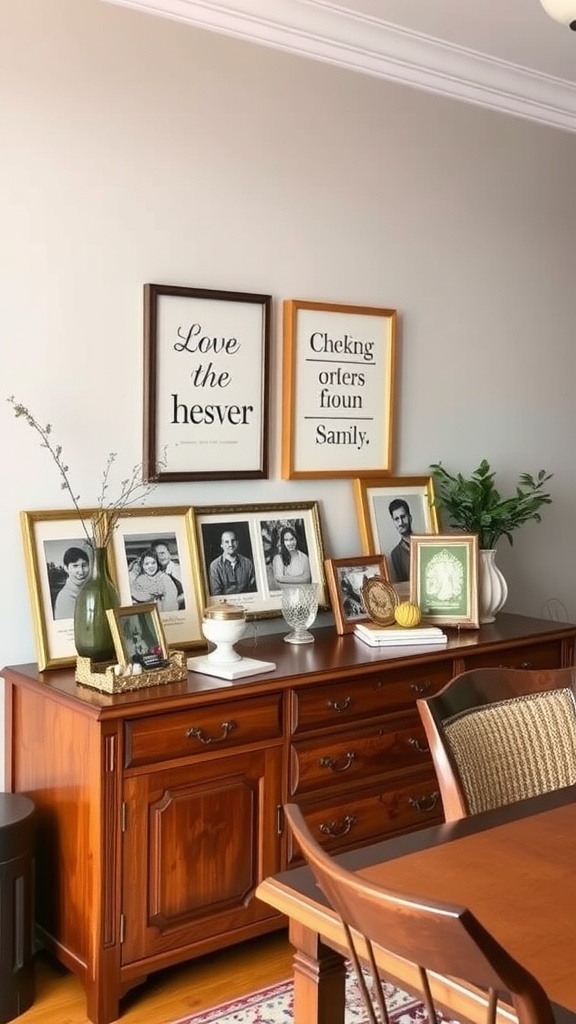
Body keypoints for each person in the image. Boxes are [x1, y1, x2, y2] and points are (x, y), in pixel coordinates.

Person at [209, 529, 256, 596]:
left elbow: (252, 589)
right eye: (227, 542)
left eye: (233, 541)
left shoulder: (247, 563)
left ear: (237, 543)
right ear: (221, 545)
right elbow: (216, 594)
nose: (231, 544)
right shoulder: (215, 566)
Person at [54, 546, 90, 619]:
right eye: (75, 566)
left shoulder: (90, 589)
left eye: (84, 565)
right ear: (66, 568)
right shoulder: (65, 597)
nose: (81, 571)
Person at [151, 539, 185, 610]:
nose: (161, 556)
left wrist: (173, 602)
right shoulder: (157, 573)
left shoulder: (178, 569)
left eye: (162, 553)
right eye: (157, 555)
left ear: (169, 553)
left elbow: (188, 593)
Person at [388, 498, 413, 582]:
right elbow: (403, 583)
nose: (401, 522)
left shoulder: (424, 544)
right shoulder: (395, 554)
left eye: (403, 517)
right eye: (397, 519)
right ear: (393, 522)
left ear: (410, 518)